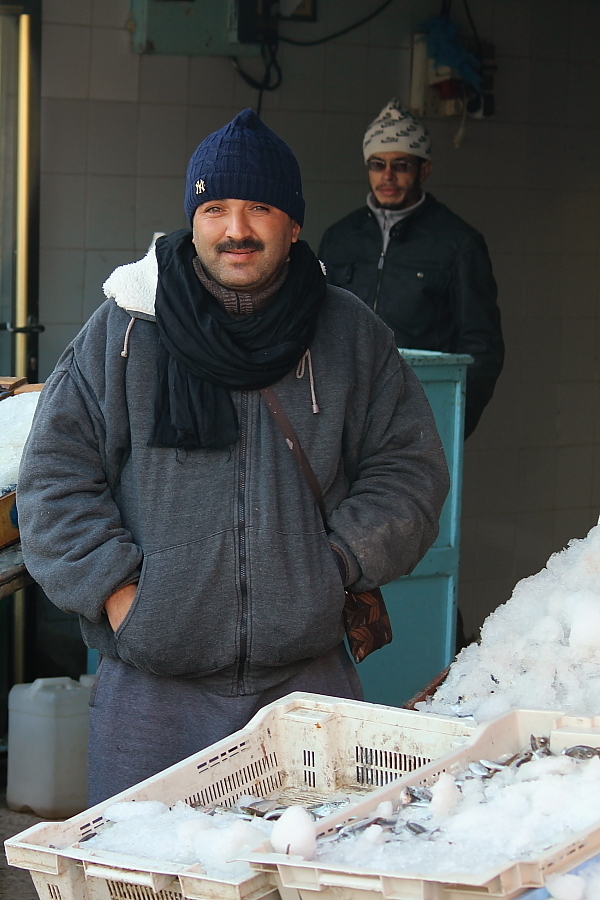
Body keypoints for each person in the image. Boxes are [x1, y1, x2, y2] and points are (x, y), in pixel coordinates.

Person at [17, 109, 449, 805]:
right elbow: (54, 483)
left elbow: (410, 473)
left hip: (307, 686)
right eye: (215, 207)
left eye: (259, 208)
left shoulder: (350, 334)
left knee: (307, 875)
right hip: (152, 695)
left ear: (294, 224)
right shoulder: (125, 329)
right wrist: (126, 599)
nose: (236, 228)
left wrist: (329, 569)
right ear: (193, 219)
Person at [319, 99, 504, 438]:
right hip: (343, 415)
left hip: (421, 416)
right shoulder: (340, 238)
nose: (387, 175)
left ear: (424, 169)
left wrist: (452, 425)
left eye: (400, 164)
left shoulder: (458, 243)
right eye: (377, 164)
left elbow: (482, 347)